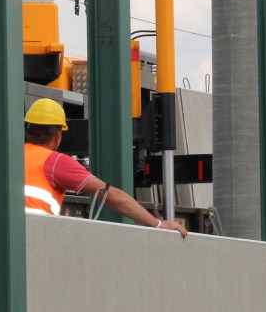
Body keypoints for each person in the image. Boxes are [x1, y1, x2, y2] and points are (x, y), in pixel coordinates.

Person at [24, 98, 188, 237]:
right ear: (58, 135)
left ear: (27, 132)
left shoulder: (8, 157)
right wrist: (158, 224)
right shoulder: (55, 162)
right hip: (35, 239)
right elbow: (111, 196)